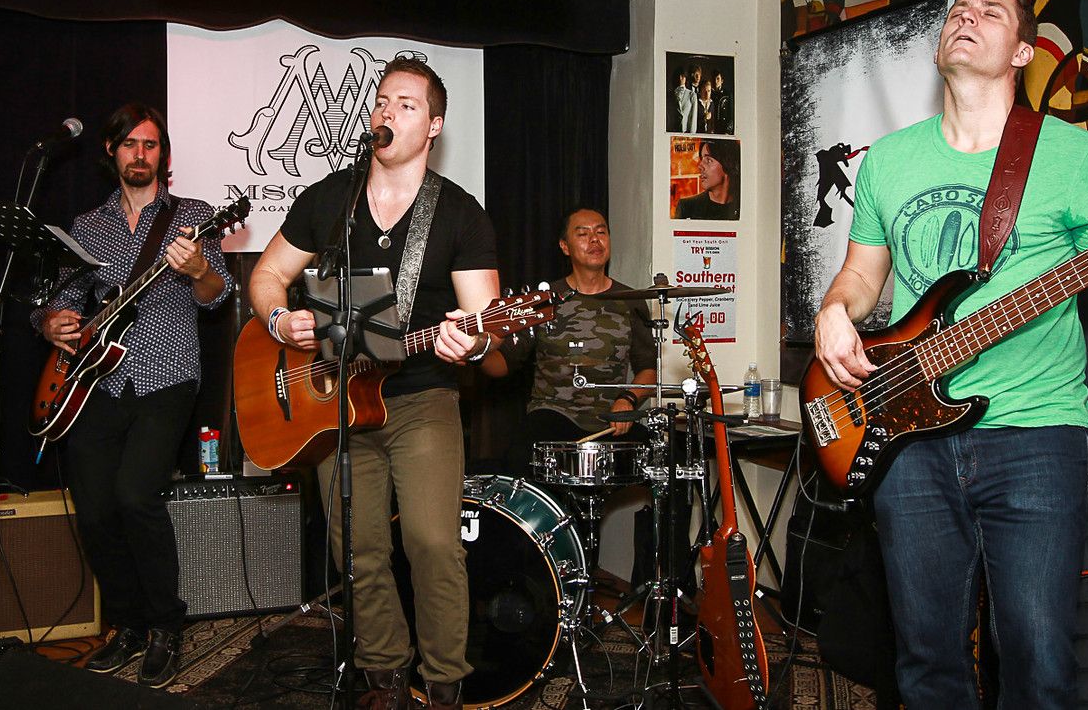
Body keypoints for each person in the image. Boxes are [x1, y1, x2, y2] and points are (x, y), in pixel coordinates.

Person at [814, 0, 1088, 710]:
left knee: (1038, 661)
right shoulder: (890, 158)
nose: (966, 16)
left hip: (1036, 432)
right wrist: (834, 310)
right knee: (927, 662)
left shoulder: (1071, 155)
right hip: (905, 435)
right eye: (958, 9)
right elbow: (861, 276)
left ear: (1022, 52)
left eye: (991, 11)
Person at [247, 57, 499, 710]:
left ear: (434, 125)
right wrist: (279, 321)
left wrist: (471, 340)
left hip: (421, 398)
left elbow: (486, 323)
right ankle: (383, 676)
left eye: (407, 105)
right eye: (383, 100)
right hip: (333, 403)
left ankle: (443, 685)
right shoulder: (330, 200)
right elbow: (266, 277)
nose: (388, 111)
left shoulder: (460, 215)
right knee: (357, 548)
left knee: (433, 543)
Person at [33, 103, 232, 688]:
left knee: (135, 495)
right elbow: (61, 298)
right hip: (97, 380)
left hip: (167, 375)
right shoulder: (89, 225)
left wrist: (197, 269)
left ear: (162, 155)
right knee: (95, 508)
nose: (140, 154)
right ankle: (128, 624)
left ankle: (167, 624)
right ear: (111, 152)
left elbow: (217, 294)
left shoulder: (192, 217)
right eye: (130, 144)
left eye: (150, 144)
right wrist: (51, 323)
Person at [480, 207, 657, 477]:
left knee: (669, 463)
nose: (594, 240)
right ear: (565, 246)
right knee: (518, 459)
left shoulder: (630, 300)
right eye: (583, 234)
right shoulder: (543, 300)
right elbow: (502, 363)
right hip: (553, 416)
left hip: (611, 419)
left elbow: (648, 368)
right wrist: (476, 352)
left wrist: (628, 400)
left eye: (601, 232)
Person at [674, 138, 740, 220]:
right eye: (701, 159)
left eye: (709, 160)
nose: (700, 166)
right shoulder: (687, 208)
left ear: (728, 163)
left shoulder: (745, 205)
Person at [711, 68, 734, 135]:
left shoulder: (727, 94)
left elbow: (731, 114)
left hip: (724, 129)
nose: (715, 81)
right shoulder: (709, 94)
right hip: (712, 129)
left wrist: (728, 130)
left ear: (722, 81)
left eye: (718, 79)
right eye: (714, 79)